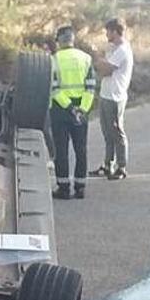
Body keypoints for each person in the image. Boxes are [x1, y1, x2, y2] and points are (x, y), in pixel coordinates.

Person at [50, 25, 96, 199]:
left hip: (60, 109)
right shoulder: (86, 58)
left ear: (59, 41)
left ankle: (63, 187)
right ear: (73, 39)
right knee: (80, 149)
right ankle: (80, 187)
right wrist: (82, 109)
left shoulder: (54, 60)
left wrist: (69, 107)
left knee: (61, 150)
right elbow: (91, 87)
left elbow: (54, 89)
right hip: (81, 110)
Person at [90, 18, 134, 180]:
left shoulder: (122, 50)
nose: (106, 34)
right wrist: (101, 62)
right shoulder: (113, 49)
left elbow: (106, 70)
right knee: (107, 132)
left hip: (115, 96)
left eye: (108, 31)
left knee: (116, 132)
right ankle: (108, 164)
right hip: (106, 94)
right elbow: (102, 69)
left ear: (115, 31)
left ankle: (121, 167)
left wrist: (96, 57)